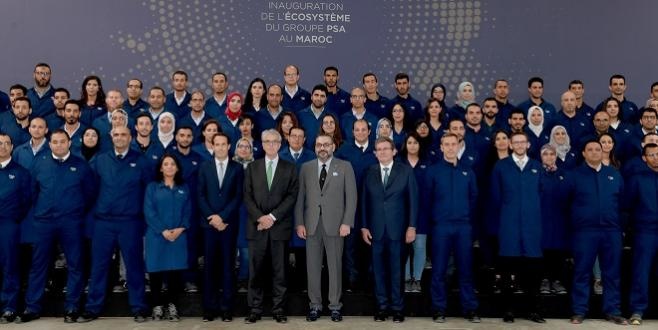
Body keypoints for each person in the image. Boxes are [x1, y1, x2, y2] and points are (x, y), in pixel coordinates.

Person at [17, 129, 95, 323]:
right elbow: (32, 192)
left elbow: (90, 194)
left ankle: (72, 307)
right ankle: (32, 307)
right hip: (44, 222)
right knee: (38, 265)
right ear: (49, 144)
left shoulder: (81, 165)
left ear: (69, 143)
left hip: (72, 222)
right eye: (55, 142)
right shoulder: (39, 164)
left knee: (76, 265)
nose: (59, 145)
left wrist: (75, 210)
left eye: (62, 141)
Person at [78, 126, 152, 323]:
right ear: (111, 137)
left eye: (124, 135)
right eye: (116, 134)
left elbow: (148, 191)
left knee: (134, 266)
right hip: (104, 222)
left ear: (131, 137)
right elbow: (90, 189)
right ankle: (93, 307)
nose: (120, 138)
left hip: (130, 222)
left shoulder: (141, 161)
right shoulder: (100, 160)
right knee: (99, 266)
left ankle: (139, 307)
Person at [295, 134, 357, 322]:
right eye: (319, 144)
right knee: (312, 267)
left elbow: (351, 197)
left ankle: (335, 306)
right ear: (314, 147)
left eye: (326, 145)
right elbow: (300, 199)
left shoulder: (345, 167)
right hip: (312, 225)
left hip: (336, 226)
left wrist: (347, 222)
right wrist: (299, 222)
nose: (323, 147)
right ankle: (315, 305)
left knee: (335, 267)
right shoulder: (306, 168)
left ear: (333, 146)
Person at [566, 140, 626, 325]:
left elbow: (623, 205)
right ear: (583, 153)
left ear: (603, 152)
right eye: (590, 150)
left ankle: (613, 310)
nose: (594, 152)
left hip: (611, 231)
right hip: (585, 232)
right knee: (582, 272)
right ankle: (579, 311)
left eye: (597, 149)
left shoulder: (614, 174)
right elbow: (565, 204)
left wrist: (620, 227)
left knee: (612, 273)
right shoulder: (574, 175)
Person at [243, 129, 299, 324]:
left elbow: (292, 196)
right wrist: (260, 218)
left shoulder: (290, 168)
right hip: (256, 227)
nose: (271, 145)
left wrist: (272, 217)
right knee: (256, 271)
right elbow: (247, 197)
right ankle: (255, 309)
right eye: (267, 141)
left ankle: (279, 309)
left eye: (275, 141)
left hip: (279, 227)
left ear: (280, 143)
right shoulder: (252, 168)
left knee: (280, 271)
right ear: (262, 143)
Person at [361, 136, 418, 323]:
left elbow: (413, 201)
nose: (383, 152)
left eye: (386, 148)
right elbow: (364, 202)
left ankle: (398, 309)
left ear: (394, 151)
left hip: (398, 231)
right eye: (379, 149)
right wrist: (363, 226)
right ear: (375, 153)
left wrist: (411, 226)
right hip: (375, 231)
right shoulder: (369, 171)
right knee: (378, 272)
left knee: (396, 272)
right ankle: (381, 308)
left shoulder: (406, 171)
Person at [490, 131, 544, 323]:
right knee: (507, 270)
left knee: (533, 271)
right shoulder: (501, 166)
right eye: (516, 142)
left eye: (523, 142)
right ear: (511, 145)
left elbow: (542, 196)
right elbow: (495, 198)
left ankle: (534, 311)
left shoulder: (537, 167)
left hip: (532, 226)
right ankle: (508, 310)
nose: (520, 145)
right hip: (509, 225)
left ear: (528, 145)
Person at [427, 133, 479, 323]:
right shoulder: (433, 171)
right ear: (441, 147)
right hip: (441, 227)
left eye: (453, 144)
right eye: (446, 144)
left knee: (466, 270)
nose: (450, 148)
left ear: (459, 146)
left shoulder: (468, 171)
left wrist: (467, 220)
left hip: (463, 227)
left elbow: (474, 199)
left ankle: (470, 308)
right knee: (439, 270)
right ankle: (439, 309)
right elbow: (427, 200)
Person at [197, 133, 244, 322]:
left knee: (227, 266)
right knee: (209, 267)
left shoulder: (238, 168)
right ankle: (209, 307)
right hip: (208, 225)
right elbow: (200, 195)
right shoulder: (204, 167)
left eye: (224, 144)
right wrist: (212, 217)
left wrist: (223, 217)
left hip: (228, 225)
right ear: (212, 146)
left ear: (229, 145)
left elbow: (237, 196)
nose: (221, 147)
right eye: (217, 144)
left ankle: (226, 308)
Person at [143, 154, 190, 322]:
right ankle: (156, 305)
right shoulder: (152, 188)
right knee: (155, 272)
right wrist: (162, 230)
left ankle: (172, 305)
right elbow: (149, 211)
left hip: (178, 236)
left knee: (174, 273)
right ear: (161, 168)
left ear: (177, 168)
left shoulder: (184, 188)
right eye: (166, 164)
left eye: (173, 164)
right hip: (157, 236)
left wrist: (180, 228)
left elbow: (188, 211)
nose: (169, 167)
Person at [0, 134, 31, 324]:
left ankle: (9, 307)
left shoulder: (21, 172)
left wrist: (13, 216)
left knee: (10, 265)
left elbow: (26, 200)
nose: (2, 147)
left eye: (5, 144)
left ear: (12, 147)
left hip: (8, 224)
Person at [626, 143, 658, 325]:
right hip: (645, 232)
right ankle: (638, 310)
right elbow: (627, 206)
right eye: (651, 155)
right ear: (645, 158)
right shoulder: (637, 179)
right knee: (641, 272)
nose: (656, 157)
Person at [537, 144, 569, 296]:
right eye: (545, 154)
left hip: (559, 218)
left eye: (552, 154)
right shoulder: (536, 173)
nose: (549, 157)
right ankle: (544, 279)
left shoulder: (564, 174)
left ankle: (556, 280)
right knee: (543, 249)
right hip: (542, 218)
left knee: (558, 251)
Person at [400, 133, 430, 293]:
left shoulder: (427, 164)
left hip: (423, 211)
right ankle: (405, 279)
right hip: (402, 212)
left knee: (419, 246)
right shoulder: (399, 164)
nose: (412, 145)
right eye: (409, 142)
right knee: (405, 246)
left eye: (415, 142)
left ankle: (416, 279)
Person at [232, 138, 255, 294]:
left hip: (250, 215)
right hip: (231, 214)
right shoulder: (228, 166)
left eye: (247, 146)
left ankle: (243, 280)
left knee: (246, 252)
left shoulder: (257, 166)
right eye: (240, 146)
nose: (244, 149)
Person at [297, 84, 331, 149]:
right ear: (311, 97)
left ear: (326, 99)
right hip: (306, 156)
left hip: (325, 154)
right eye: (316, 95)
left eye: (322, 96)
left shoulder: (331, 116)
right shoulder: (300, 115)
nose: (319, 98)